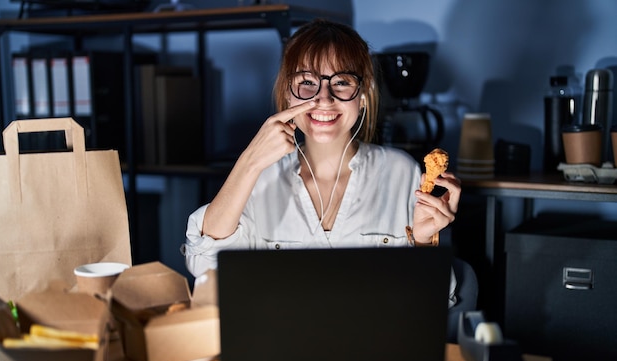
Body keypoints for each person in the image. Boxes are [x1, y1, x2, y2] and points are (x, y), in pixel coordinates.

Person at [182, 19, 461, 306]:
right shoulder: (260, 179)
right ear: (287, 95)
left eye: (341, 82)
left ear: (363, 96)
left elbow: (435, 303)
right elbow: (204, 268)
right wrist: (249, 162)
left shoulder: (401, 173)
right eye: (307, 83)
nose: (324, 99)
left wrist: (424, 243)